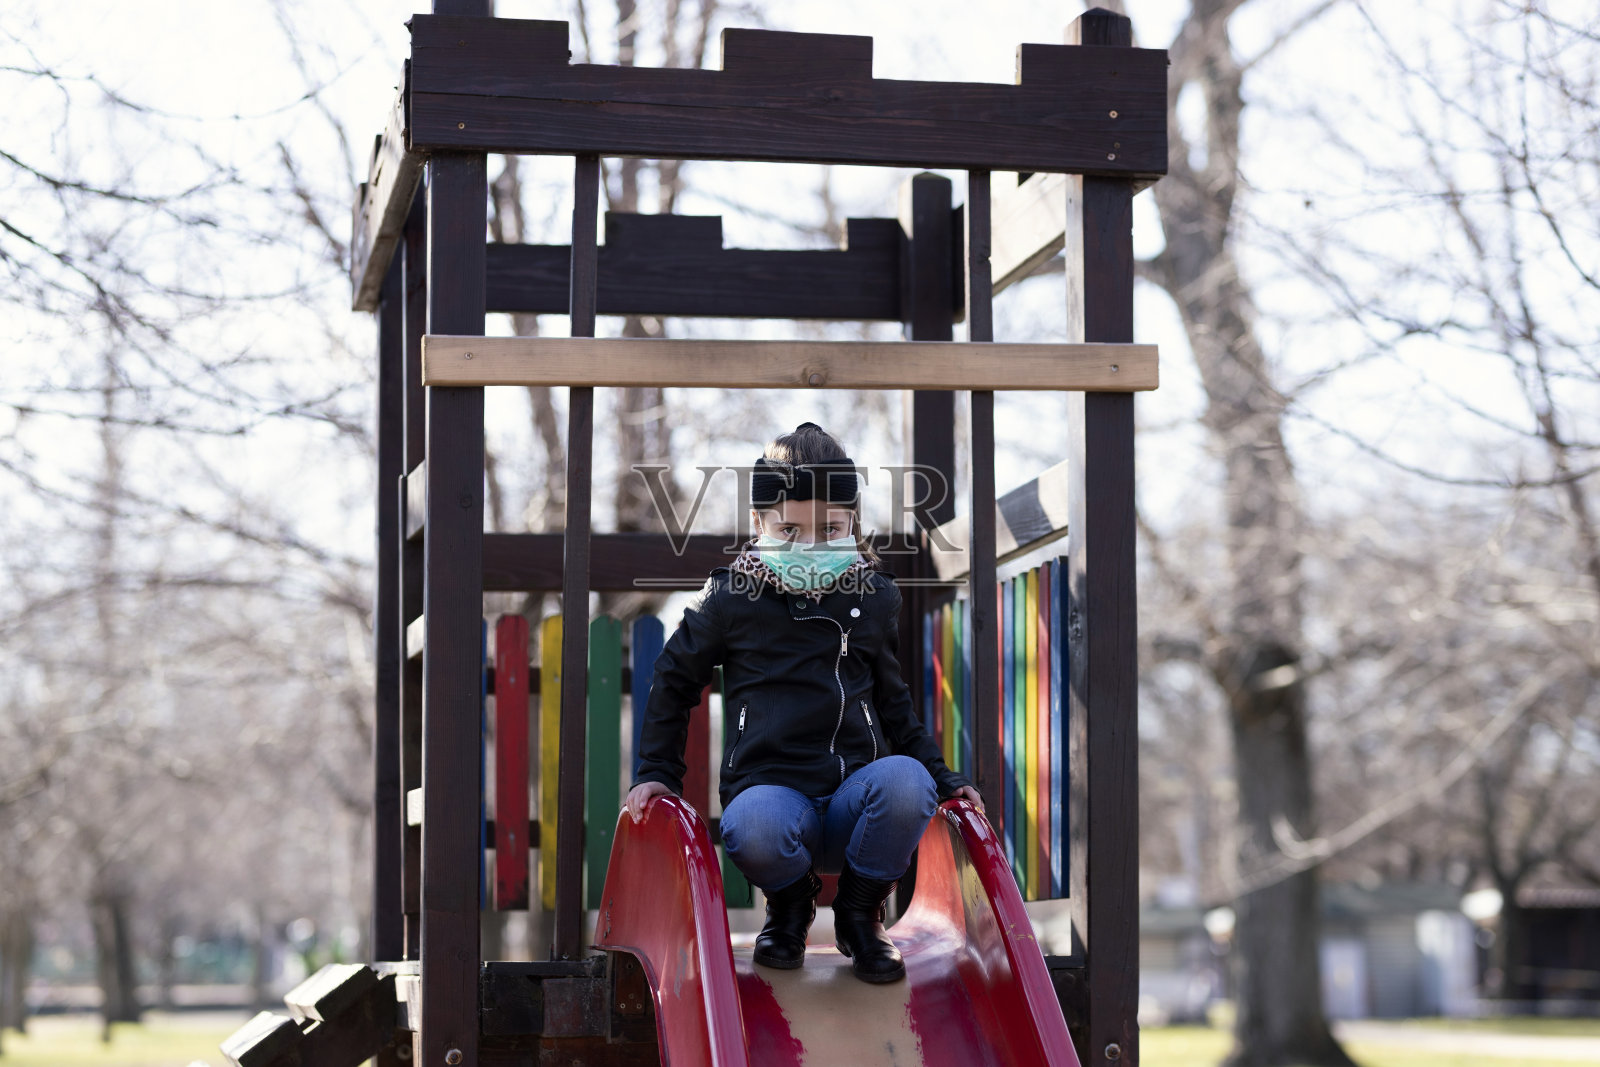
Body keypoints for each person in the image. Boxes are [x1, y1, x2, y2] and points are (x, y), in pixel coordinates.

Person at [625, 422, 984, 984]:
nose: (810, 545)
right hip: (771, 796)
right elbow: (673, 680)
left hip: (852, 802)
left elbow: (893, 700)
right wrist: (657, 773)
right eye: (789, 529)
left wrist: (942, 774)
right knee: (756, 825)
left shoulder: (872, 596)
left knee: (909, 781)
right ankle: (790, 908)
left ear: (852, 526)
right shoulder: (730, 598)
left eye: (830, 528)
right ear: (758, 523)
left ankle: (860, 914)